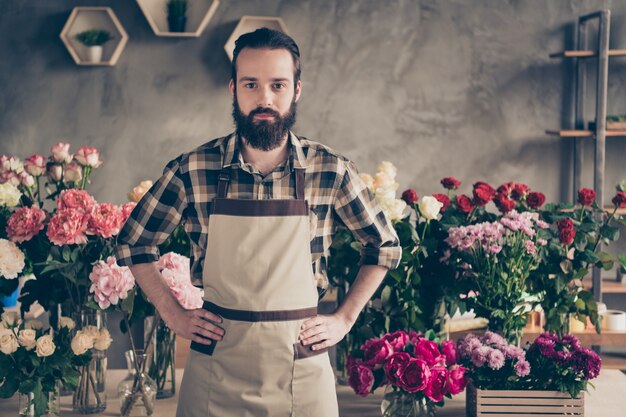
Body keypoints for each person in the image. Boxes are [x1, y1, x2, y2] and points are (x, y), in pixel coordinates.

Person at [114, 28, 401, 417]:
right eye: (251, 84)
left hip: (302, 368)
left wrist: (344, 319)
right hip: (215, 371)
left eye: (277, 85)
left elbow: (383, 247)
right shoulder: (194, 169)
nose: (264, 99)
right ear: (233, 89)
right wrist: (173, 313)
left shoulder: (329, 170)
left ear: (296, 90)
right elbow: (135, 243)